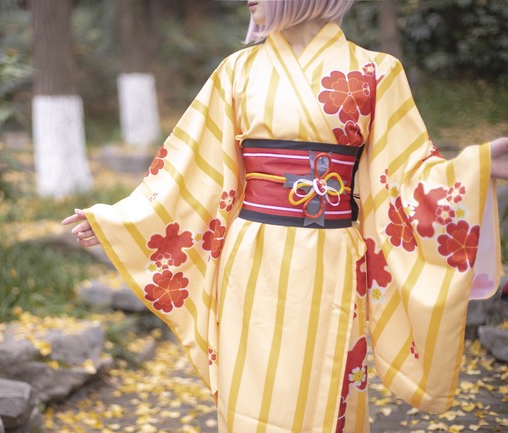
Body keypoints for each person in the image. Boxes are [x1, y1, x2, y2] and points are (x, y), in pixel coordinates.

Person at [62, 1, 508, 432]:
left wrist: (479, 166)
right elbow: (190, 168)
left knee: (326, 392)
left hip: (331, 261)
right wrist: (122, 222)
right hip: (253, 260)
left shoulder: (376, 72)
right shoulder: (237, 72)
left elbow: (407, 177)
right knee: (248, 396)